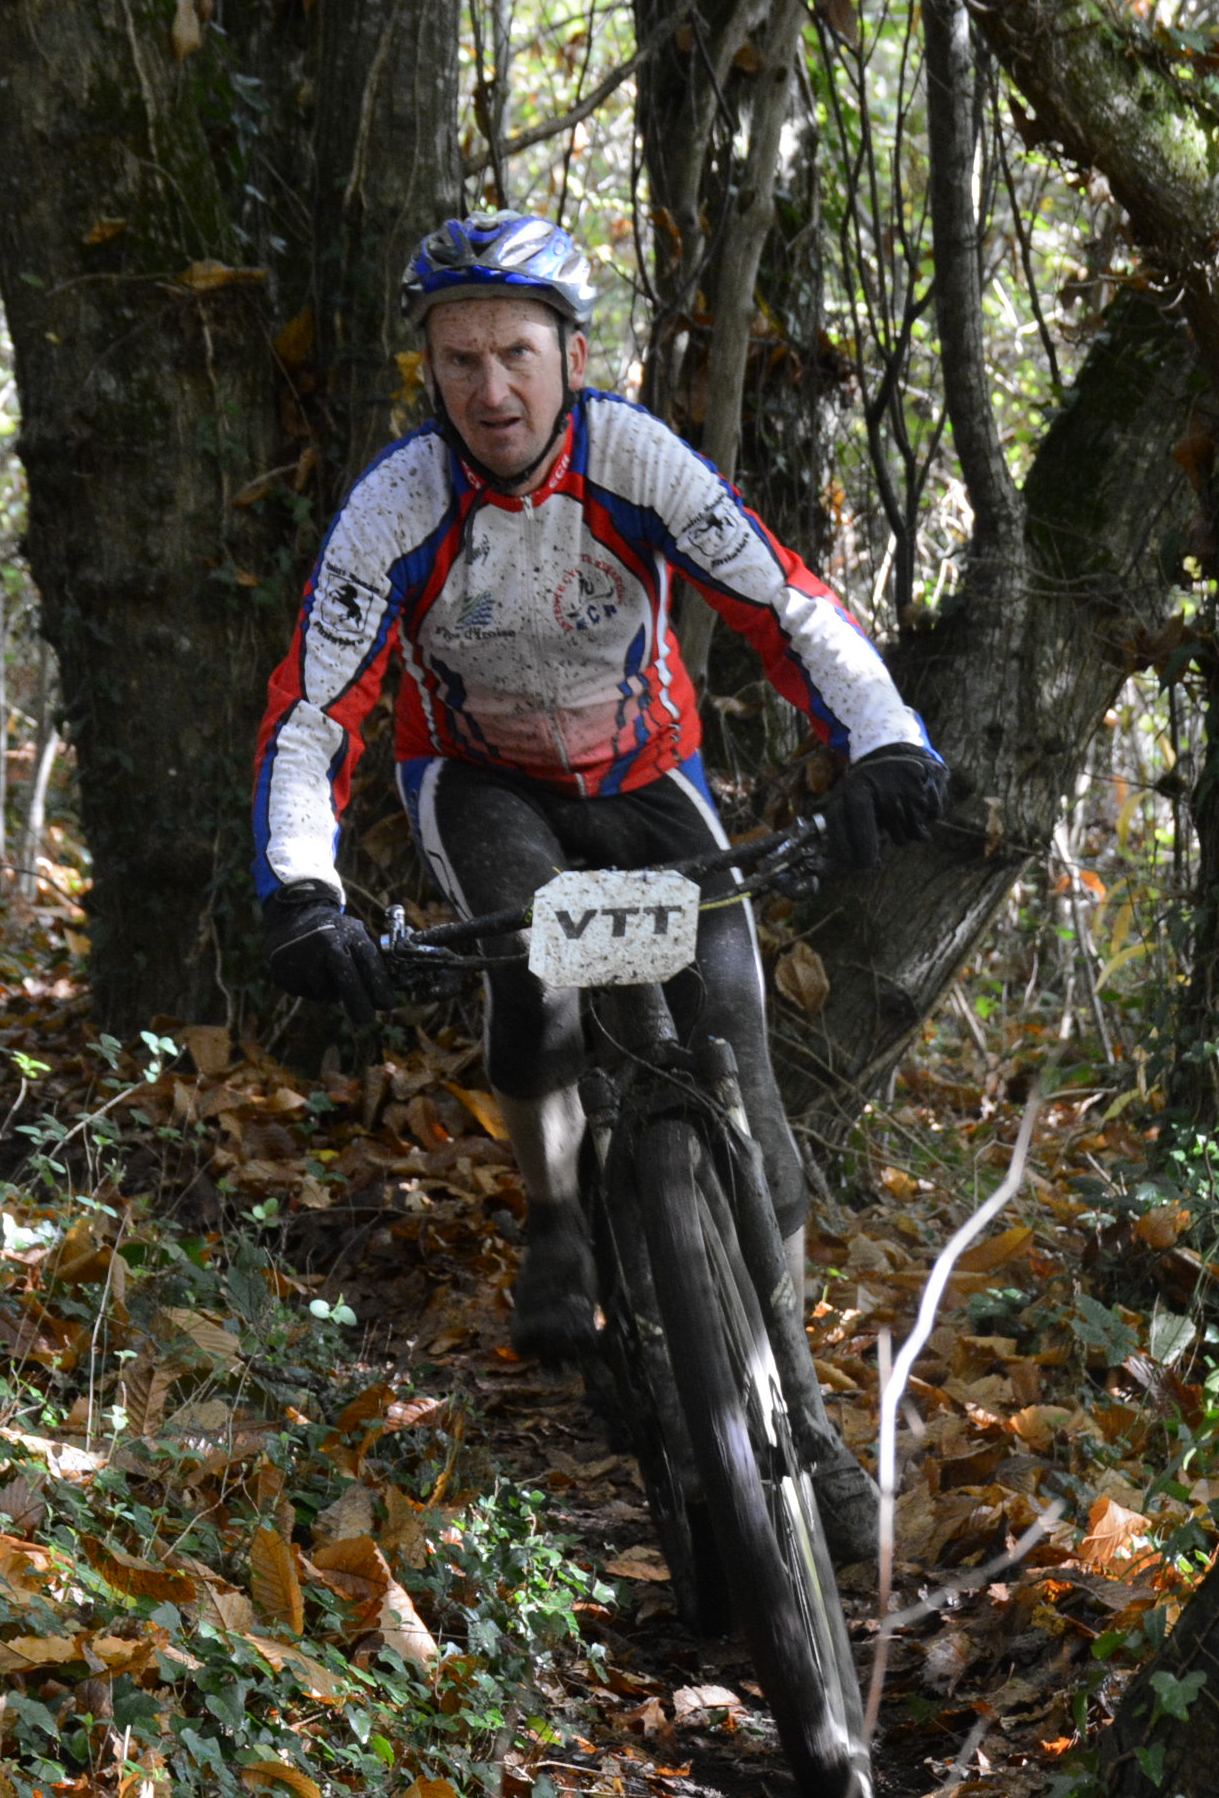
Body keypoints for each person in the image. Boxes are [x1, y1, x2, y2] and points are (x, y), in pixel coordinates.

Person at [248, 210, 946, 1561]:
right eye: (458, 361)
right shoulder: (396, 506)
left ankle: (803, 1421)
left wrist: (886, 744)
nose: (490, 391)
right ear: (429, 370)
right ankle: (558, 1214)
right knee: (534, 961)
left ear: (572, 355)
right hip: (480, 779)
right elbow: (316, 714)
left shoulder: (636, 459)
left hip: (642, 771)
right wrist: (300, 888)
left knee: (745, 1071)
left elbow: (788, 608)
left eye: (516, 354)